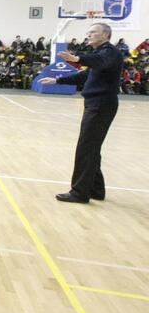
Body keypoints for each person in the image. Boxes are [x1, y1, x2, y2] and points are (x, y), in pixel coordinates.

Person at [39, 23, 123, 203]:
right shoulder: (99, 55)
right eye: (89, 31)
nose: (89, 34)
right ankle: (96, 190)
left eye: (93, 32)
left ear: (105, 35)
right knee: (92, 148)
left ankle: (79, 193)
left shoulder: (110, 52)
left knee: (86, 148)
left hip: (101, 104)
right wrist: (57, 79)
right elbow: (85, 77)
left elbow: (99, 61)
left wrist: (77, 58)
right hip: (96, 103)